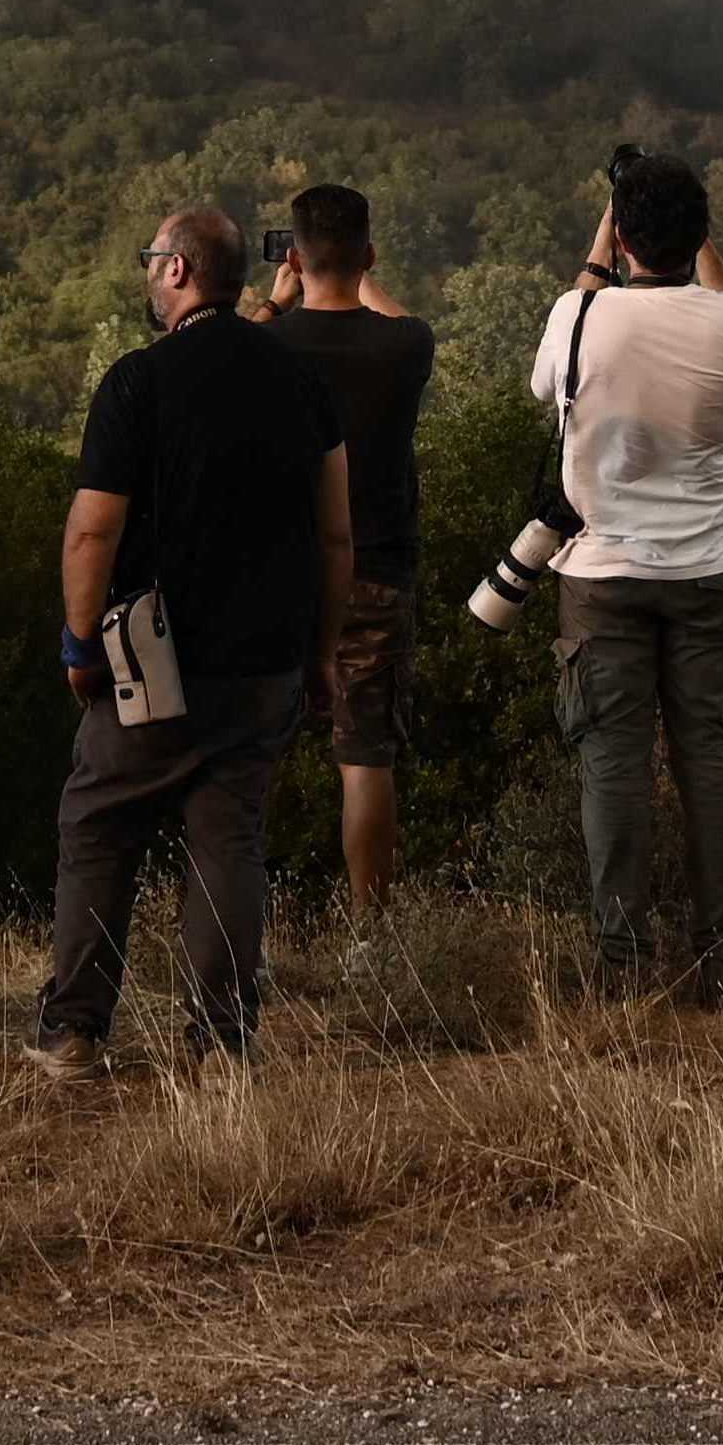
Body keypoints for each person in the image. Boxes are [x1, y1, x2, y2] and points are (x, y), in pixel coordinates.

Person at [31, 206, 349, 1078]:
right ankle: (220, 1047)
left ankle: (74, 1032)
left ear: (178, 271)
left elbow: (93, 532)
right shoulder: (300, 382)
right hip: (266, 660)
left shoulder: (140, 381)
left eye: (151, 259)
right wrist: (322, 655)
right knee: (229, 845)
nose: (147, 271)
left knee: (97, 824)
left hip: (152, 659)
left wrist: (79, 643)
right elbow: (335, 538)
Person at [536, 151, 723, 1005]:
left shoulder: (577, 317)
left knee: (614, 767)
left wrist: (607, 232)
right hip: (711, 570)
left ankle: (624, 968)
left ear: (624, 234)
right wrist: (693, 237)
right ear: (703, 234)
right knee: (714, 763)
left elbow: (560, 363)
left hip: (602, 575)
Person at [263, 184, 434, 938]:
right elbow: (398, 317)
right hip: (377, 571)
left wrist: (276, 302)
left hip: (279, 572)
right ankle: (370, 937)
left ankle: (240, 930)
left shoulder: (266, 347)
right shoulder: (403, 347)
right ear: (367, 256)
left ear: (293, 257)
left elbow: (219, 348)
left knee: (251, 753)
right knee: (366, 755)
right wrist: (360, 275)